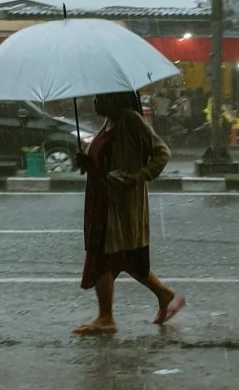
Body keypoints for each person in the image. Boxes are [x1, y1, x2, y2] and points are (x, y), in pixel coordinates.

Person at [73, 90, 185, 335]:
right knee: (123, 257)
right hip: (102, 199)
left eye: (101, 97)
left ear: (117, 99)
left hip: (119, 203)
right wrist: (87, 162)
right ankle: (163, 293)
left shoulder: (130, 120)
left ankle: (106, 319)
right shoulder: (109, 122)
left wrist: (136, 178)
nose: (95, 101)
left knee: (103, 255)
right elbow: (107, 160)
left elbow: (162, 152)